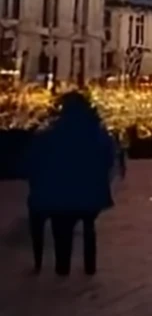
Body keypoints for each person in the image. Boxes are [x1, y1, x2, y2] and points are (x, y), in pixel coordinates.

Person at [27, 91, 117, 276]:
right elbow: (108, 160)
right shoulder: (97, 133)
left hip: (59, 192)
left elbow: (36, 161)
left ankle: (62, 267)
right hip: (91, 193)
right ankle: (89, 266)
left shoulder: (51, 134)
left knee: (61, 223)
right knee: (87, 222)